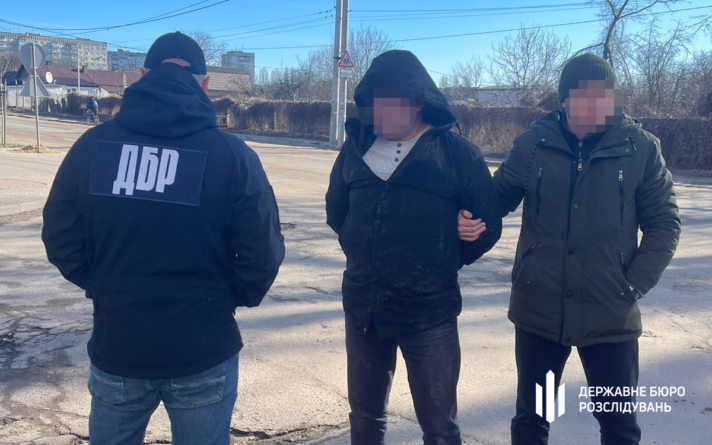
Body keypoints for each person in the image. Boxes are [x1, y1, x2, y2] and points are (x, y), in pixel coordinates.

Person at [42, 32, 285, 445]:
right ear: (204, 84)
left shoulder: (93, 146)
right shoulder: (232, 155)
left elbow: (60, 236)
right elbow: (262, 253)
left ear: (142, 76)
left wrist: (105, 285)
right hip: (203, 347)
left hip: (119, 344)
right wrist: (224, 300)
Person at [459, 53, 681, 445]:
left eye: (604, 93)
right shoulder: (533, 145)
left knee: (618, 425)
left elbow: (664, 224)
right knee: (534, 419)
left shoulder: (640, 149)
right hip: (540, 309)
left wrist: (631, 285)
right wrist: (467, 218)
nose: (596, 102)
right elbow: (493, 201)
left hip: (610, 313)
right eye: (584, 94)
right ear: (564, 99)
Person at [326, 50, 502, 445]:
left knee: (439, 428)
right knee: (365, 417)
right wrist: (364, 248)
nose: (381, 111)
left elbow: (487, 225)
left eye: (391, 101)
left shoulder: (457, 153)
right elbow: (337, 213)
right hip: (364, 308)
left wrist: (448, 251)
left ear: (418, 102)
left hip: (429, 313)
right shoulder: (355, 148)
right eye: (374, 102)